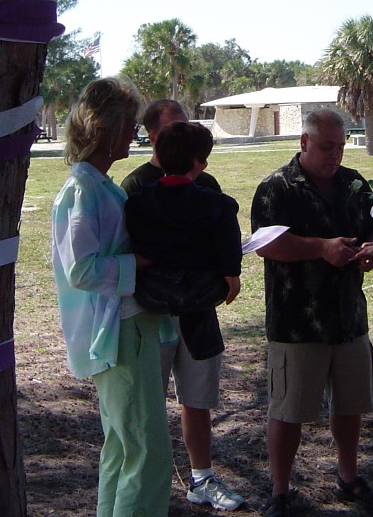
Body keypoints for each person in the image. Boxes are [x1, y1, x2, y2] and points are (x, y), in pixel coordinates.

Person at [250, 109, 373, 517]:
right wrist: (321, 248)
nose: (335, 155)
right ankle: (280, 491)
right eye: (327, 146)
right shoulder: (276, 188)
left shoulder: (354, 183)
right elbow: (265, 244)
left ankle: (348, 477)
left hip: (349, 318)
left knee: (350, 406)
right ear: (304, 142)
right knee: (287, 411)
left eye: (341, 147)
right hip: (297, 322)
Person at [50, 76, 172, 517]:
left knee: (121, 448)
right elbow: (81, 269)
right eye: (128, 123)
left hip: (124, 327)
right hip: (120, 331)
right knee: (147, 452)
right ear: (106, 127)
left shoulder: (100, 185)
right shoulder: (83, 191)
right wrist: (141, 262)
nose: (134, 132)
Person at [121, 100, 245, 512]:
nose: (181, 135)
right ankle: (148, 482)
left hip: (197, 312)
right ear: (153, 137)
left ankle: (201, 478)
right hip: (149, 315)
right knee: (147, 403)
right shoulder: (134, 186)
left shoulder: (206, 187)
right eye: (174, 128)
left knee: (198, 397)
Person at [125, 120, 242, 360]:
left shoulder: (138, 202)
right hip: (203, 290)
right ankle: (203, 352)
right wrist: (232, 276)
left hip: (152, 292)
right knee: (200, 288)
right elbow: (229, 247)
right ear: (200, 163)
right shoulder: (218, 205)